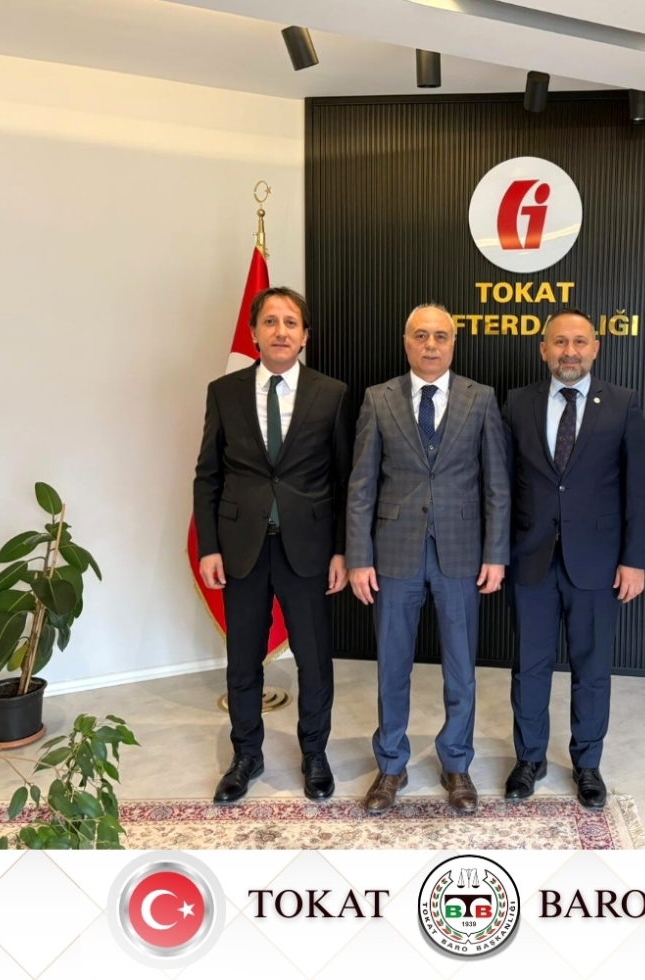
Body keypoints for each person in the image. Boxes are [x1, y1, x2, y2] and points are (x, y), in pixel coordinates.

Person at [347, 303, 509, 815]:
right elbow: (361, 486)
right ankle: (391, 764)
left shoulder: (480, 398)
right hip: (394, 554)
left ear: (453, 343)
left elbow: (497, 485)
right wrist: (358, 556)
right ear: (406, 342)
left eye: (441, 336)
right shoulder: (378, 399)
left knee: (461, 669)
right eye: (421, 335)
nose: (431, 344)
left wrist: (496, 554)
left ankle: (456, 762)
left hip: (461, 554)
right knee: (392, 666)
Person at [193, 286, 352, 805]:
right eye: (270, 321)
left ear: (305, 336)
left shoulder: (332, 393)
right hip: (241, 549)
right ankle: (246, 755)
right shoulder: (225, 391)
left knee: (314, 661)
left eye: (290, 323)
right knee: (243, 661)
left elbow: (344, 479)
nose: (280, 331)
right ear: (254, 332)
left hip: (308, 549)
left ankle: (315, 753)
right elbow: (208, 475)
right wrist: (209, 547)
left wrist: (341, 550)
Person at [501, 308, 645, 809]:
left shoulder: (623, 403)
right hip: (531, 559)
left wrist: (634, 560)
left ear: (595, 348)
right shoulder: (517, 403)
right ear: (543, 349)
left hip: (599, 562)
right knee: (529, 667)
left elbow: (640, 490)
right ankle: (530, 759)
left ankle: (587, 764)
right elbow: (503, 485)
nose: (570, 352)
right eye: (560, 342)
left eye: (580, 342)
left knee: (591, 669)